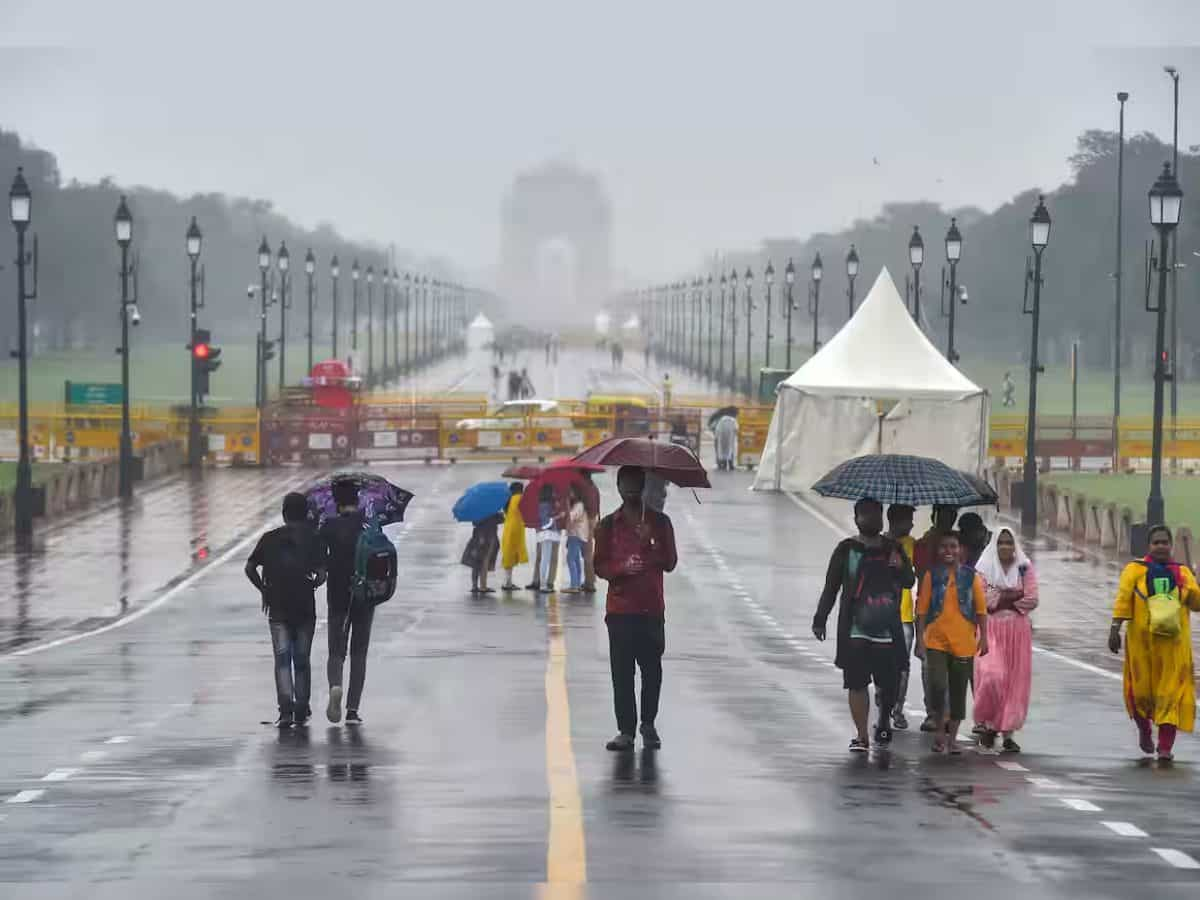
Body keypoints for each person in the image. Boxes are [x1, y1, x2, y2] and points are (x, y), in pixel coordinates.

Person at [813, 498, 914, 753]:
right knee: (856, 682)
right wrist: (820, 618)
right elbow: (832, 586)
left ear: (882, 518)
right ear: (856, 518)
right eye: (866, 513)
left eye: (876, 513)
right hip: (855, 629)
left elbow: (909, 581)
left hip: (888, 630)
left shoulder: (893, 549)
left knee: (889, 683)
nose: (872, 518)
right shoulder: (846, 550)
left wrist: (901, 566)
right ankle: (861, 735)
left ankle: (882, 719)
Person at [595, 466, 678, 751]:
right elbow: (599, 566)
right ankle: (626, 731)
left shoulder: (660, 522)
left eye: (635, 483)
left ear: (643, 486)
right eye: (625, 483)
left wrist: (650, 543)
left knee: (652, 670)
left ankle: (648, 723)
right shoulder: (607, 525)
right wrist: (622, 568)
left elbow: (670, 562)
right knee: (622, 673)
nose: (630, 488)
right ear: (618, 487)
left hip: (651, 609)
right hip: (620, 611)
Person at [1109, 525, 1200, 761]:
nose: (1161, 546)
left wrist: (1193, 585)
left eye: (1165, 542)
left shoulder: (1183, 573)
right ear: (1149, 546)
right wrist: (1114, 629)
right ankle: (1144, 730)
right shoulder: (1134, 570)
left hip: (1173, 647)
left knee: (1171, 694)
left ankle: (1165, 747)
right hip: (1141, 646)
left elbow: (1196, 603)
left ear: (1171, 546)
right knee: (1139, 693)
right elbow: (1123, 598)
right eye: (1156, 542)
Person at [245, 492, 327, 729]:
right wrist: (311, 583)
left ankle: (286, 711)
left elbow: (249, 567)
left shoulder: (269, 538)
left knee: (282, 660)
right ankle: (302, 708)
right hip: (304, 607)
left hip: (277, 607)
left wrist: (263, 589)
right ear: (305, 513)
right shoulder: (314, 539)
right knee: (302, 659)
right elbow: (321, 575)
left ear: (284, 514)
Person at [915, 532, 988, 754]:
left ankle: (952, 738)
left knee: (958, 693)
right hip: (936, 641)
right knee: (937, 686)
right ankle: (939, 731)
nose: (949, 551)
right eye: (944, 547)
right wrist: (920, 640)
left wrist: (983, 637)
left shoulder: (971, 577)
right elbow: (922, 610)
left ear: (961, 550)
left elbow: (981, 609)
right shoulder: (932, 576)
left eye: (953, 546)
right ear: (938, 551)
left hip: (964, 642)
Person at [973, 528, 1038, 752]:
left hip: (1017, 632)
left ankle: (1008, 733)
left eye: (1009, 543)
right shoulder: (983, 568)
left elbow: (1031, 598)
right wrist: (1010, 596)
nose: (1005, 547)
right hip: (990, 629)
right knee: (992, 676)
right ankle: (988, 723)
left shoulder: (1024, 567)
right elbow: (983, 600)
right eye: (1000, 543)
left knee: (1014, 683)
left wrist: (1001, 597)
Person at [319, 479, 374, 726]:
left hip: (338, 594)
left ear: (336, 501)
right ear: (358, 499)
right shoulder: (369, 526)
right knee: (359, 652)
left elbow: (319, 560)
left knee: (336, 651)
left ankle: (335, 686)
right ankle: (353, 710)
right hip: (366, 595)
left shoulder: (328, 526)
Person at [912, 504, 958, 732]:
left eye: (951, 514)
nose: (947, 518)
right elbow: (920, 572)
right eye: (943, 514)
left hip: (955, 613)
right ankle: (932, 712)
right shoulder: (923, 544)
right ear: (934, 516)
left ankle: (947, 712)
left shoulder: (959, 546)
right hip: (929, 611)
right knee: (929, 666)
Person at [884, 504, 917, 730]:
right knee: (883, 665)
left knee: (903, 666)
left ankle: (897, 708)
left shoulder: (915, 546)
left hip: (906, 615)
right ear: (895, 521)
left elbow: (912, 579)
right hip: (882, 615)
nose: (912, 524)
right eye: (908, 520)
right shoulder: (879, 544)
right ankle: (884, 699)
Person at [500, 483, 528, 591]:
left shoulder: (508, 500)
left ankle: (507, 582)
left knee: (508, 556)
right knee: (511, 556)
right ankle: (507, 583)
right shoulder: (519, 498)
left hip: (508, 529)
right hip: (516, 529)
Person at [535, 484, 563, 593]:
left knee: (544, 558)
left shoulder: (540, 504)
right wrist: (558, 516)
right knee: (545, 559)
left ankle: (543, 583)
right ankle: (543, 584)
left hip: (543, 534)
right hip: (548, 534)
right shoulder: (546, 505)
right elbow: (547, 522)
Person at [563, 486, 590, 593]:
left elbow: (571, 517)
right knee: (576, 560)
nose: (569, 494)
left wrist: (567, 505)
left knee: (570, 559)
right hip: (578, 535)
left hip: (576, 534)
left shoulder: (579, 505)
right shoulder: (580, 505)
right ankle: (577, 583)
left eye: (571, 492)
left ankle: (574, 585)